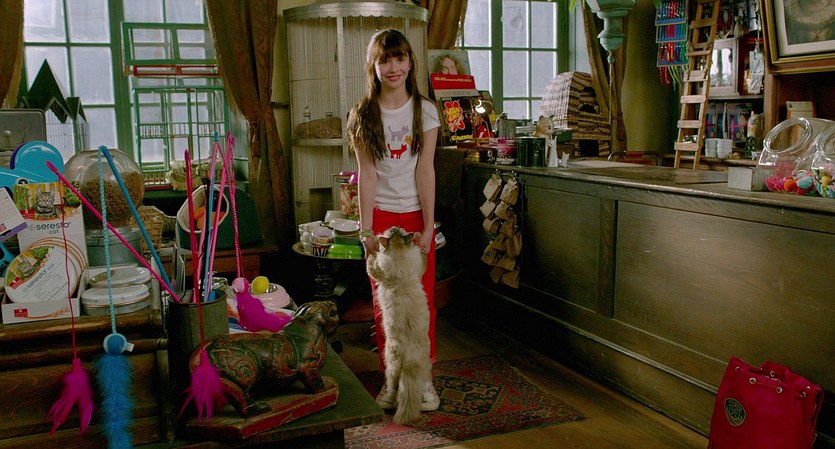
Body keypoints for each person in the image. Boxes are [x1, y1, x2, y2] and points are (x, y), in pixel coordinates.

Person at [347, 29, 441, 412]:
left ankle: (424, 380)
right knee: (386, 304)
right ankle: (392, 378)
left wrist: (428, 226)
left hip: (417, 215)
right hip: (382, 218)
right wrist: (366, 230)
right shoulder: (362, 114)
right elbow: (366, 175)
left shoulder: (426, 111)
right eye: (384, 60)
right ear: (373, 66)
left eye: (399, 58)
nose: (393, 67)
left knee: (421, 302)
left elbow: (425, 170)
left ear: (410, 62)